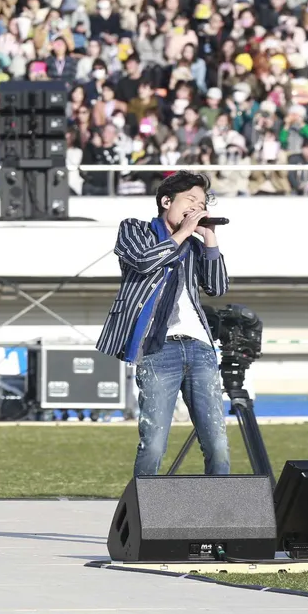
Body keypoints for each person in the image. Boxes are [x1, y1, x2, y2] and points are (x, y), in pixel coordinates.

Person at [95, 171, 230, 478]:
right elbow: (143, 261)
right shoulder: (134, 229)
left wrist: (209, 237)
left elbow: (218, 287)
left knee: (218, 443)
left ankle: (220, 518)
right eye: (190, 200)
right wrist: (183, 233)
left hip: (199, 347)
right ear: (166, 201)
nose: (196, 207)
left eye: (201, 202)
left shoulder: (195, 244)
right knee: (154, 444)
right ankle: (145, 517)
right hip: (158, 349)